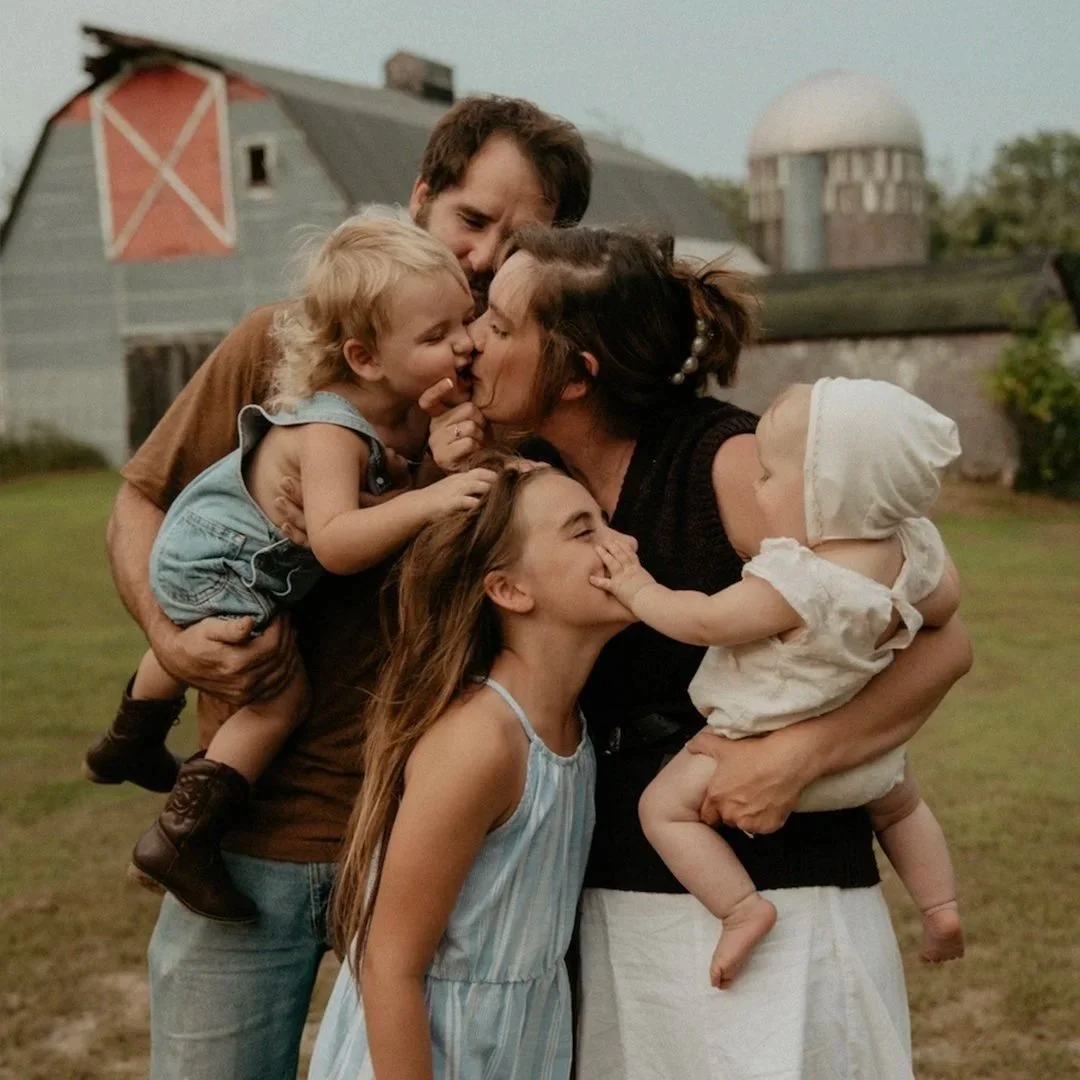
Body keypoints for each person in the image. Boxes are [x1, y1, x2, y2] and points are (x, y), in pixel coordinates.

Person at [103, 96, 591, 1079]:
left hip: (447, 849)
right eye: (472, 219)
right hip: (258, 835)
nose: (488, 254)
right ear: (421, 199)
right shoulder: (286, 349)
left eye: (522, 237)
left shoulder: (526, 397)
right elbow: (139, 505)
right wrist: (170, 637)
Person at [424, 226, 973, 1078]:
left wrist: (798, 756)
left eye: (498, 326)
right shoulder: (525, 474)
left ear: (577, 375)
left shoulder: (732, 466)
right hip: (613, 891)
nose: (471, 344)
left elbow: (943, 639)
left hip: (782, 892)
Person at [86, 216, 495, 922]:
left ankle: (132, 735)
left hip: (201, 554)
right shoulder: (334, 430)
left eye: (467, 319)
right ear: (365, 358)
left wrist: (420, 470)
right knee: (280, 696)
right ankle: (181, 835)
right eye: (436, 336)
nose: (464, 343)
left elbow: (371, 501)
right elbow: (338, 542)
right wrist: (431, 497)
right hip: (221, 563)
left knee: (200, 624)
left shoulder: (362, 418)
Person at [589, 377, 967, 990]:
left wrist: (638, 589)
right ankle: (940, 907)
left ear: (823, 493)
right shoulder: (912, 551)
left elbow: (703, 620)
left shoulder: (796, 580)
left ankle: (741, 909)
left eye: (767, 475)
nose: (755, 486)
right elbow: (945, 607)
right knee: (902, 808)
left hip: (752, 752)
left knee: (661, 811)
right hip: (866, 759)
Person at [310, 460, 635, 1079]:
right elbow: (389, 966)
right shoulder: (481, 742)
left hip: (519, 1052)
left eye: (607, 523)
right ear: (510, 590)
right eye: (583, 530)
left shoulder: (572, 732)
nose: (626, 545)